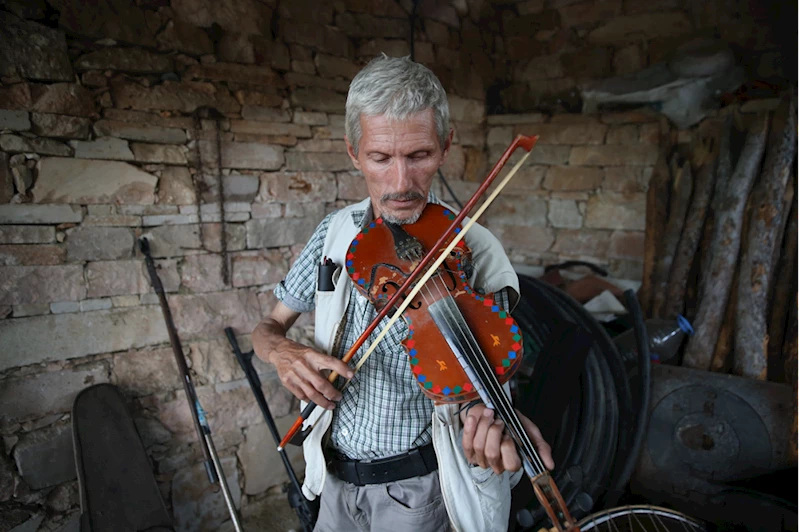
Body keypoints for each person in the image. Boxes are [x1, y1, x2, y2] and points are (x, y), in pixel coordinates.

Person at [252, 55, 554, 532]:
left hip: (417, 497)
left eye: (419, 156)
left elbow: (484, 376)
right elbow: (265, 329)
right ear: (354, 152)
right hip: (333, 482)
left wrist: (491, 418)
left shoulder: (473, 249)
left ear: (446, 145)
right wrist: (282, 352)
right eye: (380, 158)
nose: (400, 183)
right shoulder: (334, 234)